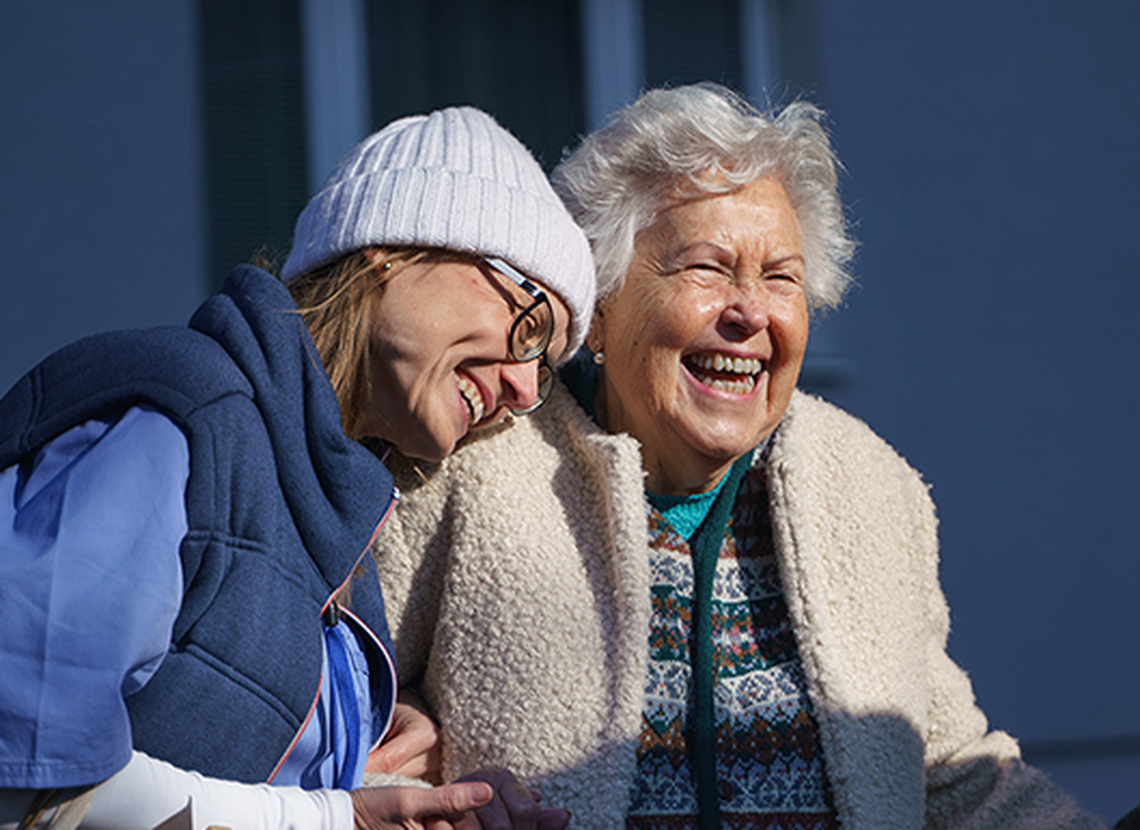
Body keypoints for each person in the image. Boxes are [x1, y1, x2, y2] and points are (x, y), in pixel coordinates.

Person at [368, 85, 1107, 828]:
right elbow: (332, 716)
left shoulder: (869, 488)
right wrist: (394, 750)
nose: (750, 312)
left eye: (780, 277)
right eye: (707, 268)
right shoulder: (474, 468)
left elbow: (947, 773)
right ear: (600, 307)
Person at [0, 106, 593, 830]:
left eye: (548, 368)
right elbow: (24, 766)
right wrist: (330, 818)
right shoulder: (183, 421)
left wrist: (387, 795)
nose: (526, 391)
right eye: (528, 326)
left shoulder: (335, 512)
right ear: (393, 249)